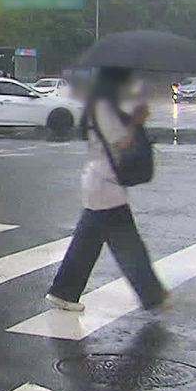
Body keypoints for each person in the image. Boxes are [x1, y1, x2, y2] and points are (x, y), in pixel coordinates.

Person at [45, 66, 168, 312]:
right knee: (127, 244)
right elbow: (121, 141)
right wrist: (136, 121)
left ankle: (63, 291)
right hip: (105, 184)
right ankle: (153, 296)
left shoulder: (104, 105)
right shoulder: (103, 107)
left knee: (90, 243)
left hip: (103, 184)